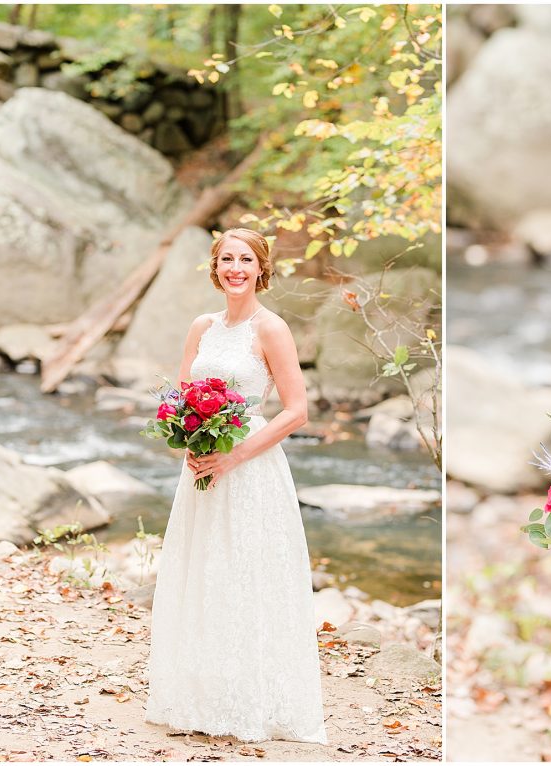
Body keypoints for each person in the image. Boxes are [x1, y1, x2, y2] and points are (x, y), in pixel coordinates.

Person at [145, 228, 327, 745]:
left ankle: (251, 699)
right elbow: (181, 398)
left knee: (246, 573)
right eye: (227, 259)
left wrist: (234, 456)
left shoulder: (271, 329)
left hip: (249, 464)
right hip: (202, 463)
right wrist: (186, 441)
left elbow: (297, 411)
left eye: (246, 259)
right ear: (215, 267)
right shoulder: (201, 326)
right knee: (202, 571)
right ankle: (200, 694)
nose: (236, 268)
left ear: (261, 269)